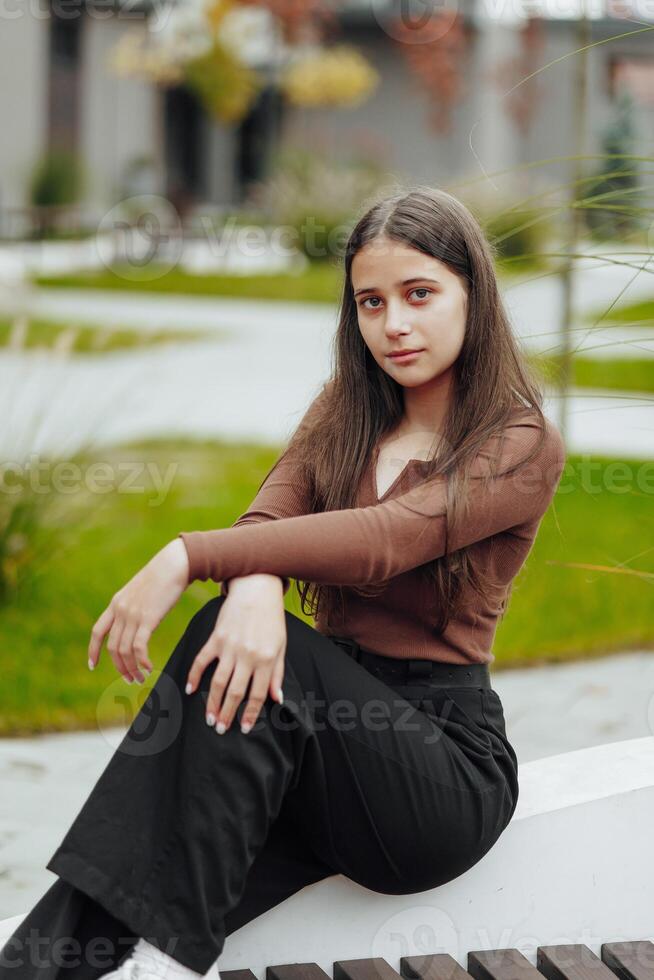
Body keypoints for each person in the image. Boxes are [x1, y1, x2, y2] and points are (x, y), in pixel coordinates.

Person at [0, 186, 566, 980]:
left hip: (436, 771)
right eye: (371, 302)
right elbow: (265, 524)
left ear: (474, 295)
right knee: (139, 852)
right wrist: (257, 585)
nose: (394, 324)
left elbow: (384, 541)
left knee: (237, 654)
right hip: (314, 744)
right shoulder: (343, 411)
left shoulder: (520, 439)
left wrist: (188, 557)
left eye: (420, 294)